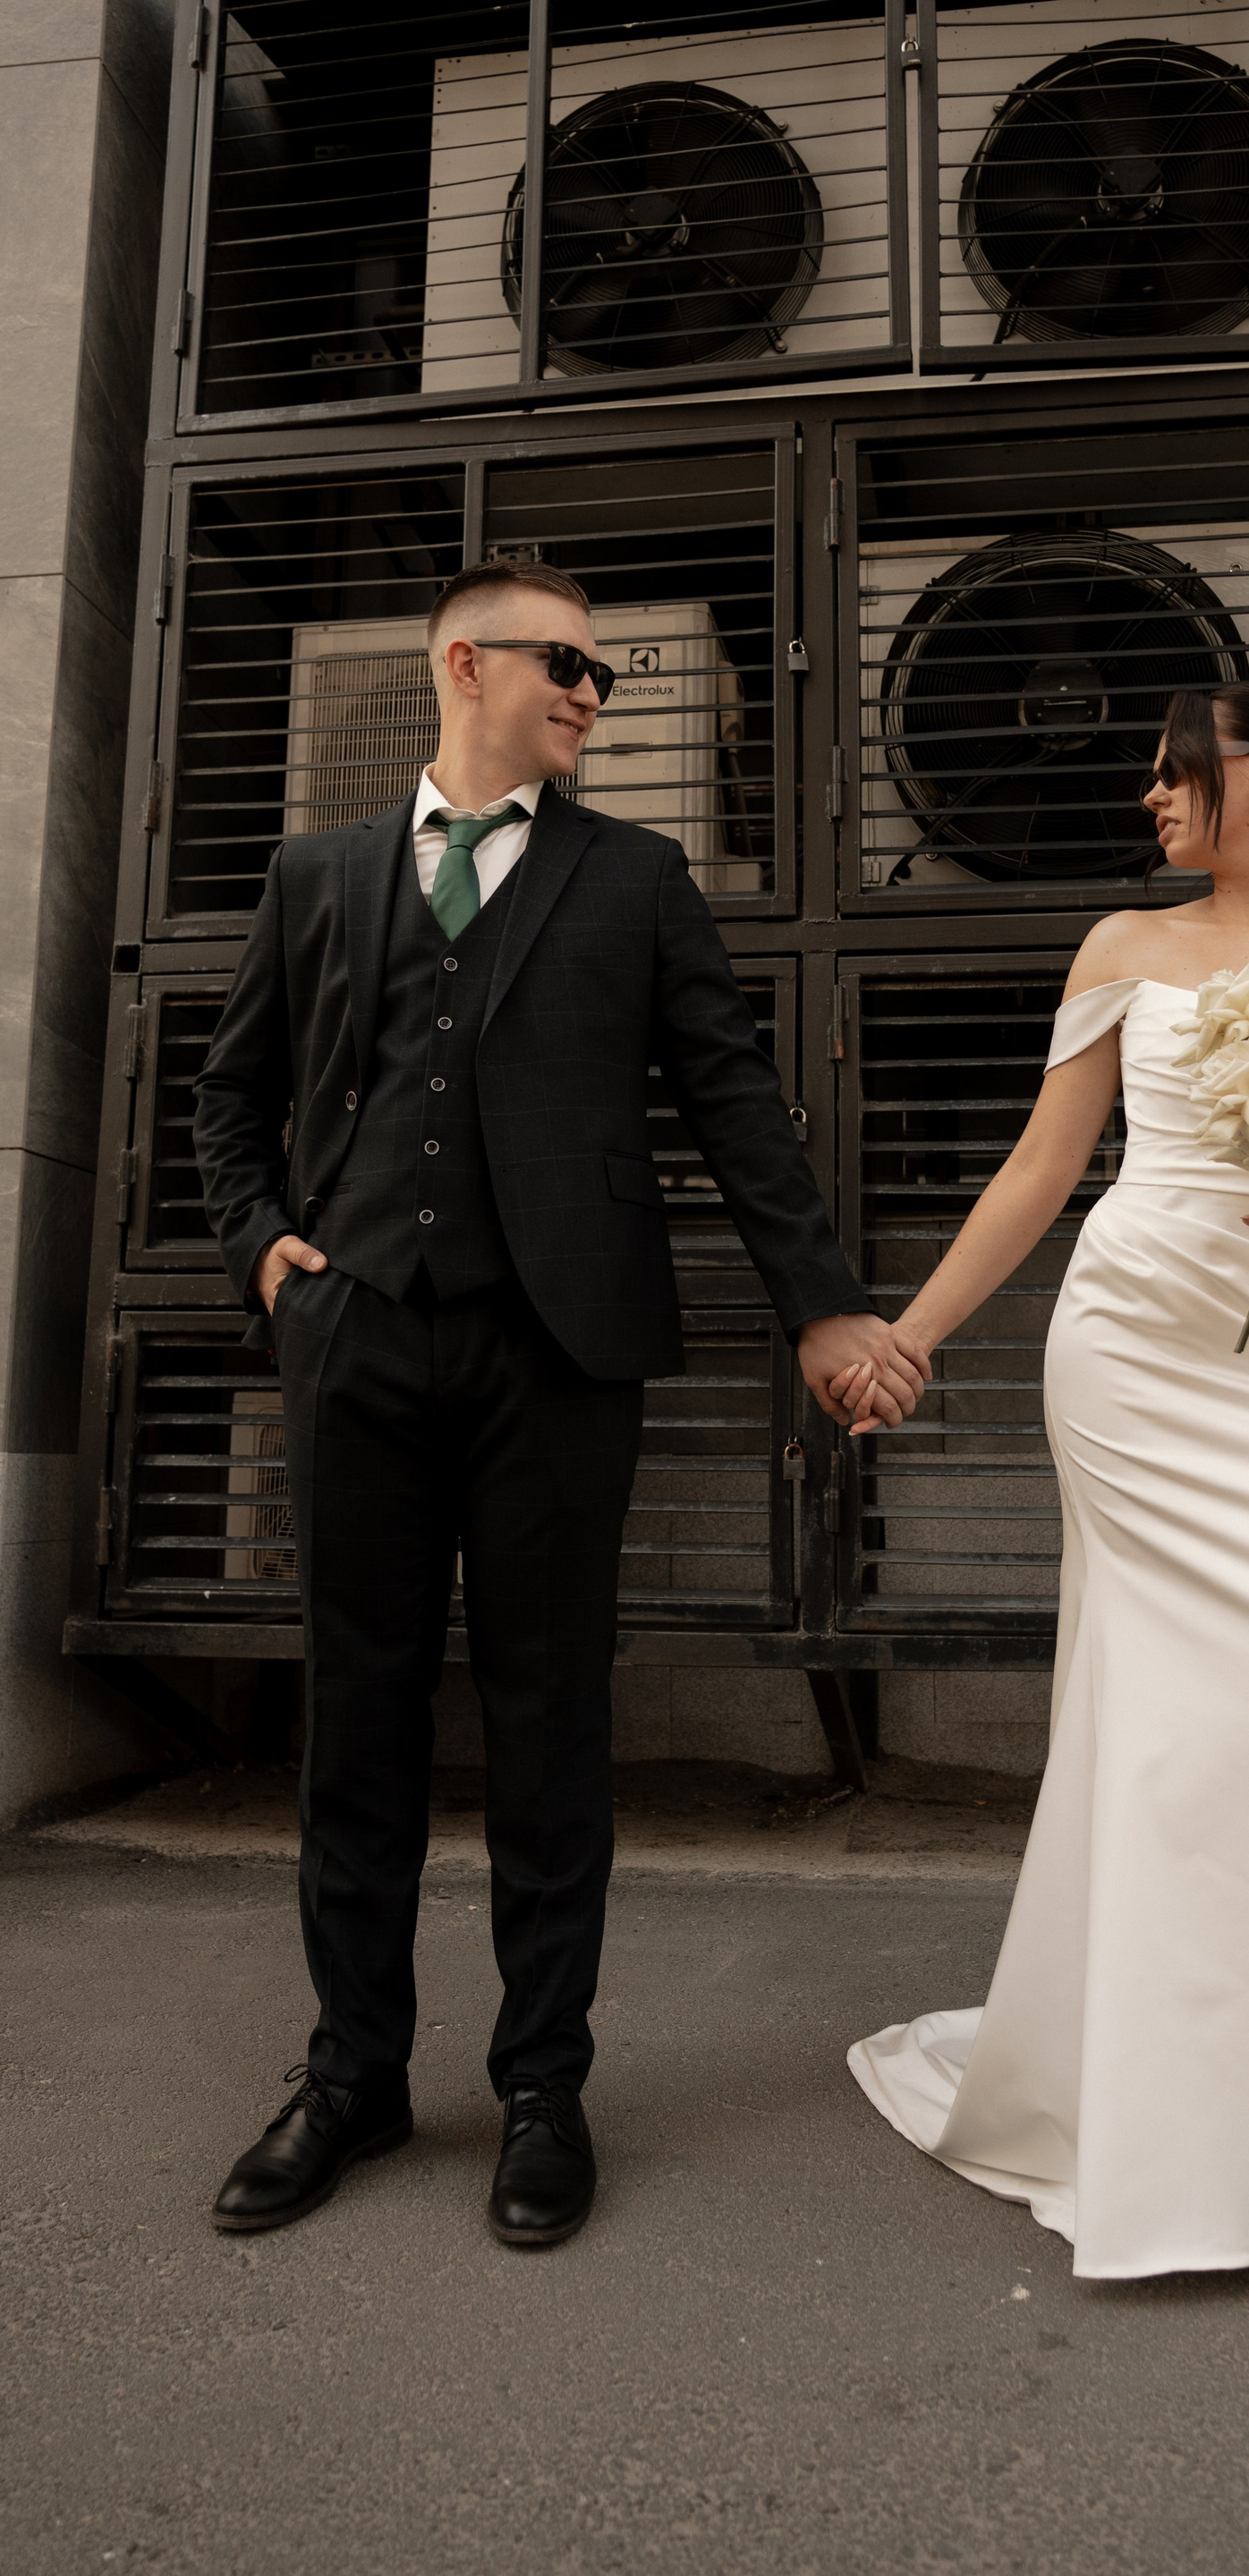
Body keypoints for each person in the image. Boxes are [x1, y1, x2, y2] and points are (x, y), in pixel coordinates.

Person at [194, 561, 921, 2246]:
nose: (595, 693)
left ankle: (542, 2089)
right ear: (466, 665)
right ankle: (353, 2076)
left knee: (547, 1725)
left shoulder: (639, 877)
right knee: (357, 1722)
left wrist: (822, 1303)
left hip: (559, 1354)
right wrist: (261, 1253)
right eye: (569, 665)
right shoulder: (317, 875)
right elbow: (229, 1094)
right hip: (358, 1339)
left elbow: (734, 1101)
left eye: (606, 676)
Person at [843, 683, 1249, 2399]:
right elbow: (1042, 1169)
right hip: (1135, 1359)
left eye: (1173, 769)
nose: (1150, 797)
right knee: (1176, 1749)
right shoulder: (1125, 945)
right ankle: (1189, 2139)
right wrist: (911, 1336)